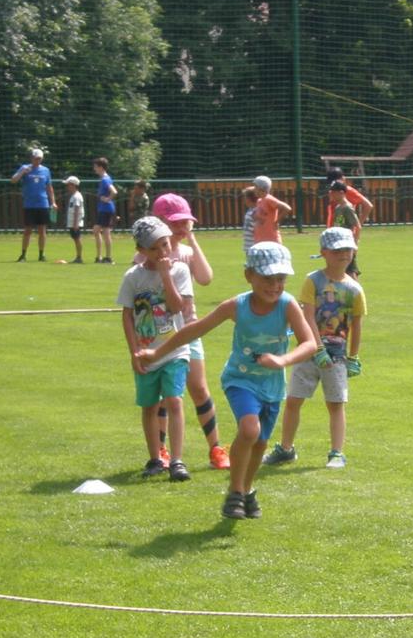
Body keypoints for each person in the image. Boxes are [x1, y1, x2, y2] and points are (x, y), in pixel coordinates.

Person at [134, 242, 318, 520]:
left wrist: (282, 361)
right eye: (267, 278)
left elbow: (310, 344)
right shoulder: (237, 306)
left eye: (280, 279)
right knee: (249, 429)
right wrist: (158, 352)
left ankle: (247, 490)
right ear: (249, 275)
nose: (275, 285)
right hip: (240, 380)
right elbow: (194, 329)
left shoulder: (288, 304)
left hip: (272, 386)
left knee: (259, 444)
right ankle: (234, 491)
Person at [141, 193, 230, 471]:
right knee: (166, 394)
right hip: (162, 334)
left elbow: (205, 278)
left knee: (198, 388)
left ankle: (216, 448)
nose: (181, 228)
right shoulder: (146, 257)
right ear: (160, 222)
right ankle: (163, 450)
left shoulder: (187, 252)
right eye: (174, 223)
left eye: (185, 222)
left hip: (190, 331)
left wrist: (191, 240)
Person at [264, 227, 365, 470]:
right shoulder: (313, 280)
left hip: (337, 357)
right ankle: (286, 448)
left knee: (336, 403)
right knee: (294, 399)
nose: (343, 254)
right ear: (324, 252)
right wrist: (317, 348)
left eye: (347, 249)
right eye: (337, 249)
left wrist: (353, 356)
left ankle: (337, 452)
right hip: (309, 352)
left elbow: (357, 324)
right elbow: (307, 316)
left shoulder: (354, 289)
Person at [118, 217, 194, 482]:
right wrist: (133, 351)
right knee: (149, 406)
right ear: (141, 251)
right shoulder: (133, 277)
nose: (163, 252)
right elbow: (127, 315)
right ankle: (155, 458)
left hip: (174, 350)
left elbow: (177, 308)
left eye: (166, 245)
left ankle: (177, 460)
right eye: (155, 248)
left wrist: (165, 276)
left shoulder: (180, 271)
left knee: (174, 400)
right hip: (146, 351)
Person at [10, 148, 57, 262]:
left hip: (43, 203)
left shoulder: (46, 170)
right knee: (28, 230)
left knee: (42, 230)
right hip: (29, 204)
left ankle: (41, 255)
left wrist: (53, 202)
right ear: (31, 158)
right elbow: (13, 180)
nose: (38, 160)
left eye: (40, 158)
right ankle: (23, 255)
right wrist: (22, 172)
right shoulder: (25, 168)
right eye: (36, 158)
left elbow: (49, 188)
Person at [326, 181, 362, 277]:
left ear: (341, 193)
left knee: (350, 271)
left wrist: (355, 244)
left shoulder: (347, 208)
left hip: (347, 244)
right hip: (339, 244)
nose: (331, 194)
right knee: (343, 270)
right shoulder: (338, 207)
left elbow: (357, 226)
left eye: (333, 192)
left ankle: (356, 291)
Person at [249, 176, 293, 245]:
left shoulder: (269, 199)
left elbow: (287, 208)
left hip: (271, 239)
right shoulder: (259, 201)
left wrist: (276, 222)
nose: (254, 189)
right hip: (260, 239)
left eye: (255, 187)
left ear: (261, 188)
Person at [92, 157, 119, 264]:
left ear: (101, 167)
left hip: (105, 209)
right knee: (98, 231)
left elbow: (114, 191)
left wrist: (108, 199)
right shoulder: (105, 178)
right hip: (105, 209)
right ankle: (100, 257)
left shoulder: (105, 179)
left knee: (103, 232)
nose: (94, 169)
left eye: (95, 167)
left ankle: (107, 257)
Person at [63, 175, 85, 264]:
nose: (67, 186)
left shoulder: (77, 196)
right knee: (75, 238)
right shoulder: (73, 196)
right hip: (73, 222)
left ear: (73, 185)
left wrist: (76, 223)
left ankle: (79, 257)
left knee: (77, 238)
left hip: (75, 222)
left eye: (68, 184)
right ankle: (78, 256)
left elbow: (77, 209)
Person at [241, 186, 258, 255]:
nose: (244, 199)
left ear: (249, 199)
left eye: (245, 197)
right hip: (249, 245)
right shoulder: (250, 210)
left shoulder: (256, 212)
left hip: (255, 245)